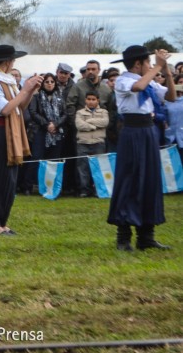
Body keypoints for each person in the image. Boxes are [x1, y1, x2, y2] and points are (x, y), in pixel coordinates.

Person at [107, 46, 176, 251]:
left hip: (148, 131)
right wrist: (157, 67)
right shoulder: (123, 80)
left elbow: (171, 97)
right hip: (132, 131)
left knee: (150, 179)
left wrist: (167, 72)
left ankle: (146, 236)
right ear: (138, 64)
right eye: (148, 62)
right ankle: (124, 237)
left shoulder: (149, 81)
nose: (151, 66)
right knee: (130, 179)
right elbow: (138, 87)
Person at [0, 45, 43, 236]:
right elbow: (5, 109)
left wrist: (30, 91)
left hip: (10, 130)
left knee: (9, 179)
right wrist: (25, 89)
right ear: (8, 62)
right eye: (13, 60)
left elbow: (19, 107)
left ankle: (2, 220)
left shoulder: (7, 80)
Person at [74, 92, 109, 197]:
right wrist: (94, 126)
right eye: (89, 99)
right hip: (83, 143)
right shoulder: (80, 112)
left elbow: (105, 122)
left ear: (98, 100)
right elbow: (79, 125)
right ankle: (84, 190)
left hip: (98, 142)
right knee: (83, 168)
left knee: (98, 168)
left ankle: (98, 190)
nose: (91, 101)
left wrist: (89, 120)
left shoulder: (103, 112)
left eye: (93, 99)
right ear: (85, 100)